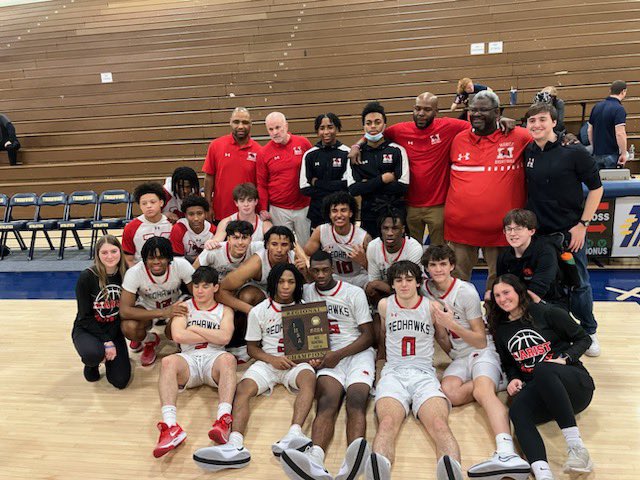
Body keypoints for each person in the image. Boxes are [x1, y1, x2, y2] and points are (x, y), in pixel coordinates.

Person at [193, 264, 316, 472]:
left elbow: (314, 346)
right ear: (273, 284)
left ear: (297, 285)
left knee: (309, 380)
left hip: (295, 362)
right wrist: (272, 359)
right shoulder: (259, 311)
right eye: (281, 281)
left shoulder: (305, 307)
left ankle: (294, 434)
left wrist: (312, 358)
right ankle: (235, 444)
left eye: (291, 282)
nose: (285, 286)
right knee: (242, 390)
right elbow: (251, 348)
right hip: (268, 362)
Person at [421, 245, 530, 479]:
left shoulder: (465, 291)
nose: (438, 269)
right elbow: (440, 333)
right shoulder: (425, 290)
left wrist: (452, 326)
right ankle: (497, 380)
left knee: (483, 393)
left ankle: (506, 452)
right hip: (460, 355)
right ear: (427, 268)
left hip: (482, 350)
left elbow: (480, 340)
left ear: (452, 266)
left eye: (443, 264)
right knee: (449, 393)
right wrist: (448, 343)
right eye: (433, 265)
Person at [348, 93, 515, 246]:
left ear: (436, 112)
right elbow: (375, 131)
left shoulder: (449, 126)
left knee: (439, 253)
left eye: (427, 110)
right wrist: (357, 144)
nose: (421, 113)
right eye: (418, 108)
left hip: (439, 206)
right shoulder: (400, 130)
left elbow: (480, 124)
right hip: (410, 205)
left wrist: (500, 120)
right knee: (411, 252)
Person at [488, 275, 595, 480]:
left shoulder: (546, 312)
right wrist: (512, 379)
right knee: (517, 410)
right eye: (497, 295)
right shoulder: (501, 329)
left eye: (506, 292)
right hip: (544, 394)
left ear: (519, 291)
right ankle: (542, 474)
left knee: (542, 369)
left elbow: (584, 338)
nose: (502, 299)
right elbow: (509, 363)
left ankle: (578, 450)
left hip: (575, 387)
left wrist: (566, 358)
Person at [280, 250, 375, 480]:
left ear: (332, 268)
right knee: (326, 402)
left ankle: (352, 460)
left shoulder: (353, 293)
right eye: (316, 270)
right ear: (310, 270)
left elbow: (369, 336)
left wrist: (338, 354)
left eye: (325, 269)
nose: (321, 275)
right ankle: (316, 459)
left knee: (356, 400)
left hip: (356, 353)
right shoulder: (306, 292)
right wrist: (310, 356)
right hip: (327, 357)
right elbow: (300, 333)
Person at [365, 260, 463, 480]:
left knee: (439, 424)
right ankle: (379, 471)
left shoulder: (431, 307)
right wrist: (379, 368)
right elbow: (383, 337)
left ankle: (452, 472)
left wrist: (460, 360)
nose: (404, 284)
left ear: (418, 282)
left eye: (409, 279)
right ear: (392, 284)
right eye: (398, 280)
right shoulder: (384, 306)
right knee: (388, 423)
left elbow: (441, 337)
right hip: (393, 373)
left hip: (424, 374)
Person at [524, 102, 604, 356]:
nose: (536, 125)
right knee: (548, 286)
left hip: (569, 234)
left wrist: (583, 225)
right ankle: (560, 330)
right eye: (532, 120)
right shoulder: (527, 151)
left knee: (578, 283)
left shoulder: (575, 152)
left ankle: (589, 331)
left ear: (554, 122)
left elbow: (597, 188)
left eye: (542, 119)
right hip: (539, 235)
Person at [445, 91, 532, 289]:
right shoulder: (457, 139)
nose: (476, 114)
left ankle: (495, 320)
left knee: (500, 283)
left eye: (483, 110)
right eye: (473, 110)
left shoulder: (519, 136)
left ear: (497, 112)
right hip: (460, 230)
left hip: (502, 232)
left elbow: (547, 140)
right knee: (456, 284)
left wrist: (567, 137)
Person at [154, 266, 236, 458]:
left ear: (215, 287)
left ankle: (223, 421)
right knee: (167, 362)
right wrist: (210, 335)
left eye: (205, 286)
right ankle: (170, 426)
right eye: (196, 286)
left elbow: (225, 338)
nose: (199, 291)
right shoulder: (183, 307)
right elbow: (177, 335)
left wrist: (196, 328)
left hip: (213, 360)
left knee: (229, 359)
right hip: (189, 361)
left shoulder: (225, 310)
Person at [216, 226, 303, 357]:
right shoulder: (256, 262)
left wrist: (306, 272)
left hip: (286, 297)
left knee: (305, 293)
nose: (279, 250)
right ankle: (245, 342)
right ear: (267, 245)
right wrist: (252, 311)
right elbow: (220, 291)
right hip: (261, 298)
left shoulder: (296, 259)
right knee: (247, 295)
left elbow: (312, 287)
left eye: (284, 245)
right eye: (274, 244)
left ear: (291, 246)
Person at [120, 237, 194, 366]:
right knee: (129, 328)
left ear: (169, 258)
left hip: (176, 303)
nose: (156, 262)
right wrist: (163, 312)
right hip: (149, 308)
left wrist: (184, 309)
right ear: (144, 259)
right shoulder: (134, 273)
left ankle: (182, 342)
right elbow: (124, 311)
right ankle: (150, 340)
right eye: (151, 258)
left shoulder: (181, 265)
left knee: (172, 333)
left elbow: (198, 294)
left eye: (161, 258)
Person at [71, 235, 131, 389]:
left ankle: (106, 357)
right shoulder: (87, 277)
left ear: (120, 251)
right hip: (88, 329)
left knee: (120, 381)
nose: (110, 256)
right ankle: (92, 363)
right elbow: (84, 317)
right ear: (97, 255)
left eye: (113, 251)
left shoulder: (127, 273)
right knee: (93, 355)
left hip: (113, 330)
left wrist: (112, 339)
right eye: (104, 253)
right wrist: (106, 341)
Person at [347, 101, 409, 237]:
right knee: (370, 254)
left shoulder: (397, 150)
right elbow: (354, 189)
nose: (373, 126)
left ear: (384, 125)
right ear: (363, 126)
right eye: (368, 123)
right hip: (369, 215)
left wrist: (367, 184)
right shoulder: (355, 154)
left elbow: (402, 187)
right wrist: (383, 179)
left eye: (377, 122)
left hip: (395, 214)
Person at [257, 111, 313, 245]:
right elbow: (261, 184)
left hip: (304, 206)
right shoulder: (263, 153)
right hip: (279, 209)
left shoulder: (303, 143)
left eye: (278, 127)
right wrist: (263, 208)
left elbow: (313, 169)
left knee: (307, 245)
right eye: (270, 129)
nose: (275, 132)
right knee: (283, 246)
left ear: (286, 126)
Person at [496, 209, 567, 307]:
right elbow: (501, 287)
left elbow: (537, 291)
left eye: (518, 229)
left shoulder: (546, 252)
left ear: (531, 231)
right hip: (516, 303)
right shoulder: (504, 255)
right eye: (509, 229)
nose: (512, 233)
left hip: (548, 303)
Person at [203, 107, 261, 222]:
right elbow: (209, 178)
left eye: (245, 122)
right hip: (221, 213)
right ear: (230, 122)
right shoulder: (215, 145)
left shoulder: (259, 151)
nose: (240, 126)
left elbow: (261, 185)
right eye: (236, 122)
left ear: (251, 124)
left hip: (248, 215)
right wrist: (208, 206)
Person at [303, 192, 371, 288]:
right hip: (333, 277)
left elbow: (374, 270)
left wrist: (363, 261)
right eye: (334, 211)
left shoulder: (364, 237)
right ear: (329, 214)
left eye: (343, 210)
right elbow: (305, 254)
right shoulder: (321, 231)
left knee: (374, 287)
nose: (339, 215)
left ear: (351, 213)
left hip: (358, 277)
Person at [299, 113, 350, 228]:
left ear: (337, 129)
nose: (326, 132)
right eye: (322, 128)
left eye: (330, 127)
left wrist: (317, 183)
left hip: (341, 214)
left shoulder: (347, 153)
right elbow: (304, 188)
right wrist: (336, 187)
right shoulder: (310, 155)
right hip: (317, 213)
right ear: (317, 131)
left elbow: (348, 185)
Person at [365, 208, 423, 306]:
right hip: (386, 293)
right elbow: (373, 282)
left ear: (403, 229)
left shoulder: (414, 247)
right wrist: (377, 285)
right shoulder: (373, 246)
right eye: (385, 228)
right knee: (370, 290)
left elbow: (411, 286)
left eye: (395, 228)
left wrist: (379, 284)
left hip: (409, 294)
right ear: (380, 229)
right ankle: (379, 313)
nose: (390, 233)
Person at [121, 182, 172, 267]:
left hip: (168, 270)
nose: (149, 206)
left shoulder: (172, 224)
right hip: (142, 271)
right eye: (144, 203)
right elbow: (128, 258)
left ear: (161, 203)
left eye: (152, 202)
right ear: (140, 206)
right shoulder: (131, 228)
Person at [194, 220, 262, 279]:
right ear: (228, 239)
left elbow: (270, 242)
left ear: (250, 240)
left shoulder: (256, 248)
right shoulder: (213, 250)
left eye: (244, 238)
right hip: (216, 287)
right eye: (235, 238)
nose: (240, 242)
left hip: (242, 287)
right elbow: (192, 272)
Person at [587, 80, 628, 169]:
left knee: (598, 182)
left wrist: (594, 147)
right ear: (623, 92)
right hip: (611, 154)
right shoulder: (619, 109)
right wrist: (624, 153)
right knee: (611, 182)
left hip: (597, 153)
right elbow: (620, 133)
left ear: (610, 91)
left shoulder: (596, 107)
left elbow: (589, 130)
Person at [169, 195, 216, 263]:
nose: (196, 218)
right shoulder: (179, 228)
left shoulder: (213, 230)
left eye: (199, 213)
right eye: (191, 214)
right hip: (184, 264)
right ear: (185, 215)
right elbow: (178, 259)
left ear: (205, 214)